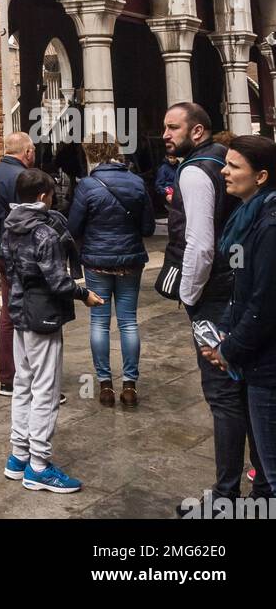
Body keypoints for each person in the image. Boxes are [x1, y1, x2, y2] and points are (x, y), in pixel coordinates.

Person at [161, 102, 270, 509]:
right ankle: (259, 492)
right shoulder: (221, 163)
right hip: (236, 289)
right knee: (246, 395)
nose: (166, 135)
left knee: (224, 396)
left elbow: (200, 243)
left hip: (215, 297)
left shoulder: (193, 170)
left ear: (199, 131)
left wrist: (189, 297)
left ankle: (227, 496)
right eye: (164, 128)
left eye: (174, 128)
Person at [0, 167, 103, 493]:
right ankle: (39, 466)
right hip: (42, 317)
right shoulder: (44, 233)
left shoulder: (9, 228)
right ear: (44, 196)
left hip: (17, 313)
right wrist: (84, 294)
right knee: (45, 389)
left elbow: (3, 262)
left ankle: (18, 456)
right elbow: (58, 282)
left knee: (23, 384)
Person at [200, 136, 276, 492]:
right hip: (255, 358)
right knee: (265, 466)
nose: (223, 171)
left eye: (233, 166)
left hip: (268, 365)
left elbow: (265, 304)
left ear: (260, 177)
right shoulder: (248, 216)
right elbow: (241, 288)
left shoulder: (269, 225)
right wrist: (226, 330)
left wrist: (228, 350)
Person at [67, 139, 155, 407]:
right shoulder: (137, 183)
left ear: (92, 155)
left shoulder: (87, 186)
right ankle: (130, 385)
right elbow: (149, 227)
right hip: (130, 261)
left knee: (99, 322)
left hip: (96, 261)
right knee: (128, 322)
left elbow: (73, 226)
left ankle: (105, 384)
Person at [0, 131, 35, 396]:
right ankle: (29, 373)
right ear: (26, 152)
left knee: (7, 313)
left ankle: (7, 376)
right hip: (22, 251)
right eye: (32, 150)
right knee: (31, 309)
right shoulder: (23, 177)